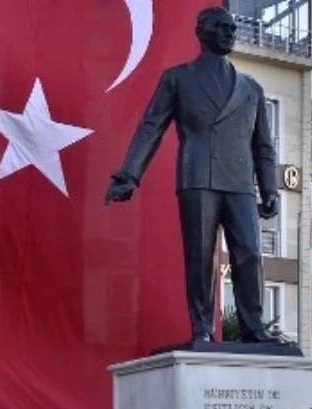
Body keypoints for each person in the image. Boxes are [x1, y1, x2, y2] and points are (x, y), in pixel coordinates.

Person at [106, 6, 279, 345]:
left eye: (232, 28)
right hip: (197, 176)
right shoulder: (177, 78)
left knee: (250, 253)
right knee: (200, 257)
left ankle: (253, 328)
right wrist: (130, 175)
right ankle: (201, 327)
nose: (230, 32)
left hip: (240, 182)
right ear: (202, 33)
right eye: (221, 27)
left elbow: (263, 146)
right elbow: (151, 127)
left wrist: (269, 187)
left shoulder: (251, 88)